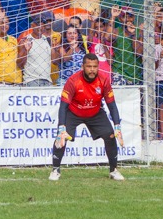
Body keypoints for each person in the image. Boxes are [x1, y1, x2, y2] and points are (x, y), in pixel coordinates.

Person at [48, 53, 126, 181]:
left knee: (111, 135)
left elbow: (111, 105)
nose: (92, 70)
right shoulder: (73, 81)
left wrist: (117, 126)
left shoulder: (104, 80)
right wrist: (61, 127)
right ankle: (55, 170)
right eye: (89, 66)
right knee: (61, 137)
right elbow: (63, 106)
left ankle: (113, 170)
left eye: (95, 66)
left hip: (95, 112)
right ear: (83, 66)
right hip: (74, 112)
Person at [18, 13, 55, 86]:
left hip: (47, 81)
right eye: (38, 25)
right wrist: (26, 50)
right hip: (31, 81)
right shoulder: (25, 40)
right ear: (32, 26)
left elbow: (55, 61)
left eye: (43, 25)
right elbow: (19, 64)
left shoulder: (47, 40)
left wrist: (54, 48)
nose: (40, 27)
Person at [0, 9, 20, 85]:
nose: (4, 25)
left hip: (16, 81)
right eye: (2, 23)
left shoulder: (14, 40)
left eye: (6, 23)